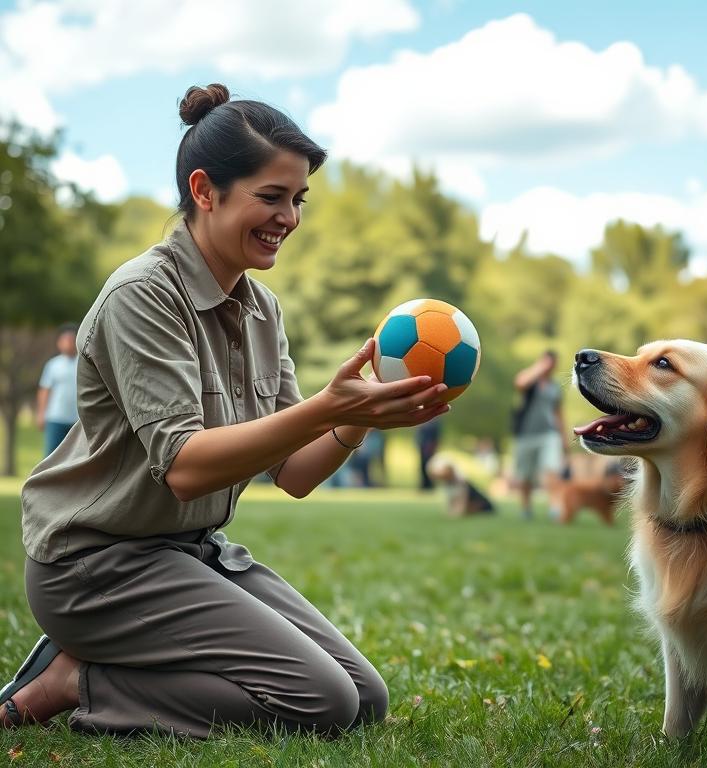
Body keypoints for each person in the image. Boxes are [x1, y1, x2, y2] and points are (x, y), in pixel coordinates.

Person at [0, 84, 449, 738]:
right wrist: (326, 403)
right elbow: (184, 468)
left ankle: (101, 670)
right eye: (271, 197)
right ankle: (77, 679)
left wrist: (358, 420)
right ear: (205, 190)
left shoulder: (263, 310)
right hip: (96, 567)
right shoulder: (142, 296)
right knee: (322, 702)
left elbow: (293, 471)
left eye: (298, 200)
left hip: (190, 552)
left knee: (363, 696)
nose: (289, 218)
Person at [511, 350, 567, 519]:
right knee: (525, 475)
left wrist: (564, 438)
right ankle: (526, 509)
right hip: (526, 434)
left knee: (552, 470)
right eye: (547, 362)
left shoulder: (555, 386)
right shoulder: (530, 379)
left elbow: (558, 413)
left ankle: (555, 507)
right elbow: (520, 384)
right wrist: (539, 368)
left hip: (549, 434)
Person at [35, 323, 80, 457]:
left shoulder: (84, 364)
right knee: (51, 455)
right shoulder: (53, 365)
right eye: (65, 340)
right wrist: (41, 414)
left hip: (78, 420)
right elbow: (44, 390)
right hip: (56, 418)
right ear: (59, 343)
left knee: (75, 456)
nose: (68, 343)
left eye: (71, 340)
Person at [415, 418, 442, 490]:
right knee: (423, 465)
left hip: (430, 447)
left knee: (430, 466)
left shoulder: (435, 423)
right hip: (423, 446)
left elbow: (436, 437)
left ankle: (429, 484)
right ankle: (424, 484)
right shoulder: (423, 423)